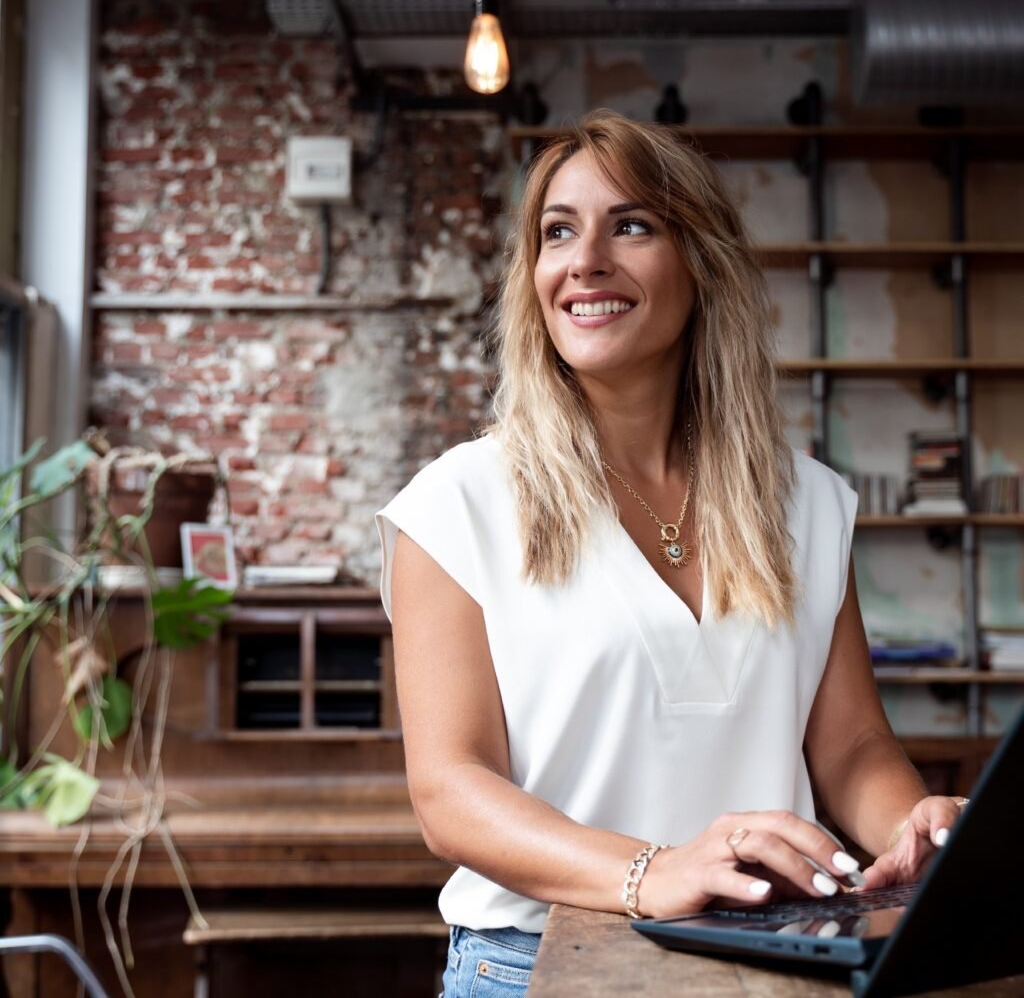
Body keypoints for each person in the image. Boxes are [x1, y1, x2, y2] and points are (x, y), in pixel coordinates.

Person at [375, 111, 967, 998]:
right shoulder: (458, 503)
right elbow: (451, 791)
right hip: (532, 966)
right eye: (558, 232)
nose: (586, 262)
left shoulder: (806, 501)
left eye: (633, 225)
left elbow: (850, 745)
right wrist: (649, 871)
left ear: (700, 261)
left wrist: (912, 826)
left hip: (771, 958)